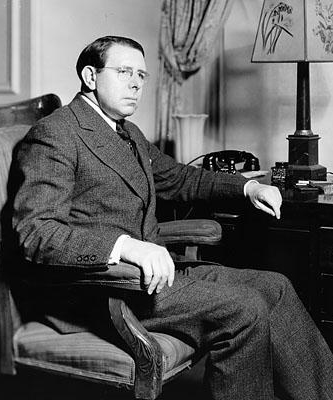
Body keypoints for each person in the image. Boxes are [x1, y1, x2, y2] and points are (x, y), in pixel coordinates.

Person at [11, 36, 333, 400]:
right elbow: (35, 232)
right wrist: (125, 247)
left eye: (141, 75)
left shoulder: (127, 131)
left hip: (153, 275)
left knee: (276, 286)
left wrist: (247, 189)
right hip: (99, 288)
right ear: (90, 75)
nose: (136, 83)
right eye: (123, 72)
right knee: (244, 308)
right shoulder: (56, 134)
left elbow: (180, 178)